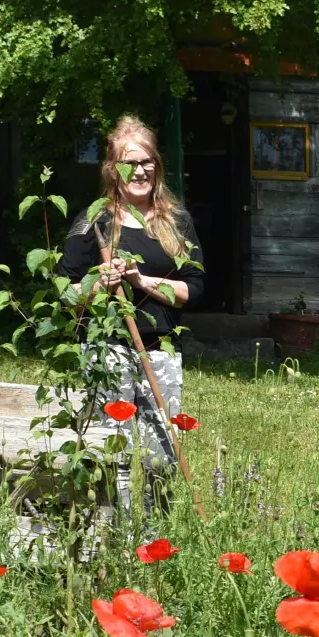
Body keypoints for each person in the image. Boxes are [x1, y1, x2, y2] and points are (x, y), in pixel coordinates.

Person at [57, 116, 205, 516]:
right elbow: (65, 293)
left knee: (162, 456)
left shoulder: (177, 222)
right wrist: (96, 285)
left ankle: (156, 537)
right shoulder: (94, 222)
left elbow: (193, 289)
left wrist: (141, 280)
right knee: (111, 454)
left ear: (157, 165)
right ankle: (110, 532)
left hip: (160, 351)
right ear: (112, 169)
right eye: (128, 163)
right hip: (106, 353)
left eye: (147, 162)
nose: (139, 171)